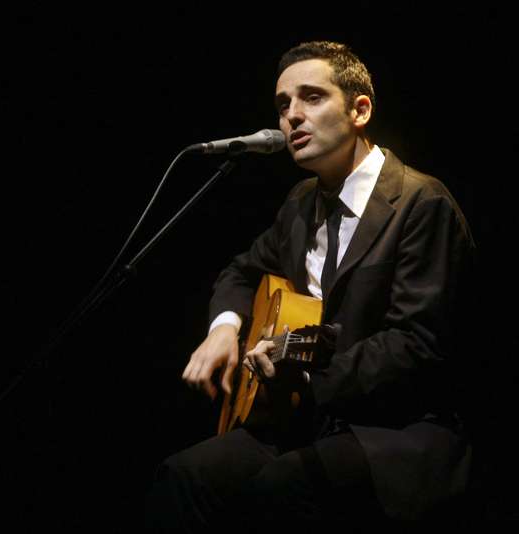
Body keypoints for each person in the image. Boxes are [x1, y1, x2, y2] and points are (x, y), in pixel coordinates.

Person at [144, 41, 476, 529]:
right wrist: (224, 328)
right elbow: (242, 271)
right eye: (283, 105)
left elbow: (416, 344)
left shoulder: (421, 203)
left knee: (281, 489)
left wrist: (304, 378)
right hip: (310, 420)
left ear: (360, 110)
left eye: (312, 97)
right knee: (183, 476)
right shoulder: (300, 203)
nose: (292, 116)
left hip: (396, 431)